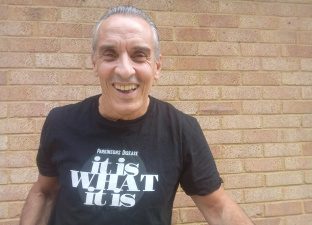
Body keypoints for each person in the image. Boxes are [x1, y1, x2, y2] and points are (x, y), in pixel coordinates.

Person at [20, 5, 254, 225]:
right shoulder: (61, 122)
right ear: (94, 63)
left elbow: (217, 207)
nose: (124, 70)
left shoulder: (181, 129)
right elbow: (45, 191)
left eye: (139, 55)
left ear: (157, 67)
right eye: (109, 54)